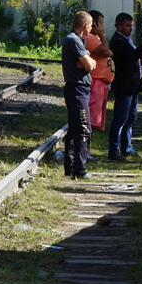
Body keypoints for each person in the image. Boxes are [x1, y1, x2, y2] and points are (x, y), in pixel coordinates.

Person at [108, 12, 142, 160]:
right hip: (124, 86)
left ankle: (126, 148)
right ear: (119, 26)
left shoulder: (126, 39)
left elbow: (129, 59)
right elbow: (131, 55)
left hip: (132, 86)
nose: (131, 29)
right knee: (121, 119)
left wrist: (141, 61)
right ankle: (114, 150)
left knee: (130, 119)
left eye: (132, 26)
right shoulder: (118, 41)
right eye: (128, 26)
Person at [61, 11, 97, 178]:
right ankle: (80, 170)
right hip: (77, 90)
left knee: (74, 129)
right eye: (91, 24)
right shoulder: (75, 40)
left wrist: (89, 61)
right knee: (84, 129)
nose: (92, 27)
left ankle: (70, 167)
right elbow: (90, 66)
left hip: (77, 89)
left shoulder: (75, 40)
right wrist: (88, 62)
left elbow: (92, 63)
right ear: (85, 25)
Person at [84, 10, 113, 137]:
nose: (102, 27)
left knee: (95, 120)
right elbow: (105, 51)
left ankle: (86, 150)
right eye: (100, 24)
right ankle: (86, 151)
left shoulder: (95, 38)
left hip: (100, 84)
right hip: (95, 83)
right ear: (93, 24)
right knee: (90, 120)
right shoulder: (89, 37)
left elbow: (106, 51)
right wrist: (103, 35)